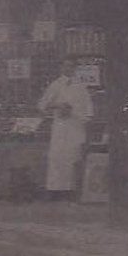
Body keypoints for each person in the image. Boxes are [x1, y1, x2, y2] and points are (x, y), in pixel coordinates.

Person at [39, 57, 94, 197]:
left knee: (74, 156)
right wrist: (58, 106)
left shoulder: (81, 87)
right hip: (61, 126)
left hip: (76, 126)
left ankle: (73, 190)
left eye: (71, 66)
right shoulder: (55, 85)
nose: (68, 69)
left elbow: (88, 109)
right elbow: (42, 105)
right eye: (65, 66)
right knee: (58, 157)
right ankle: (56, 190)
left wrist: (78, 115)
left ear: (75, 69)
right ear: (61, 68)